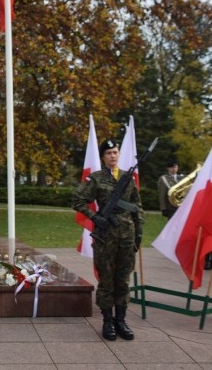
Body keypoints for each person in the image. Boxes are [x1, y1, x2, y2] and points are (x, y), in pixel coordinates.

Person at [72, 139, 143, 341]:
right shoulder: (96, 179)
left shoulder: (129, 179)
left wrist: (139, 231)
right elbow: (77, 201)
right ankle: (108, 321)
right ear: (103, 157)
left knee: (123, 279)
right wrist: (95, 217)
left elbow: (136, 206)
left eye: (115, 152)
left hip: (127, 236)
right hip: (105, 237)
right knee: (106, 280)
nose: (113, 156)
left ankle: (121, 320)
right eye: (109, 153)